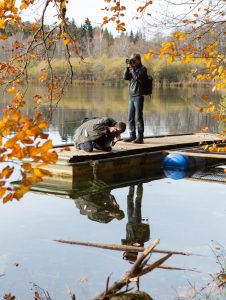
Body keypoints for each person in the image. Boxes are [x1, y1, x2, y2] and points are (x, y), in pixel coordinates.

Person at [123, 53, 148, 144]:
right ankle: (132, 135)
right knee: (130, 117)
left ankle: (140, 137)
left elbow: (137, 78)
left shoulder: (143, 69)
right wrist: (127, 68)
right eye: (131, 60)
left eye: (134, 60)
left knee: (138, 117)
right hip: (132, 95)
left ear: (138, 60)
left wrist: (132, 68)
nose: (132, 62)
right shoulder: (131, 68)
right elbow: (125, 77)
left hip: (139, 95)